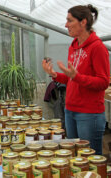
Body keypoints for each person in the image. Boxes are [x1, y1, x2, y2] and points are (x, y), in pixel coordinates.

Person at [42, 4, 110, 155]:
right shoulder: (73, 47)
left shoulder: (98, 48)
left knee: (89, 159)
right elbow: (72, 80)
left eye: (70, 20)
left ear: (83, 22)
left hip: (89, 114)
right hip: (70, 110)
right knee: (74, 157)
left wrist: (76, 77)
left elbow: (104, 82)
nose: (66, 25)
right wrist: (54, 74)